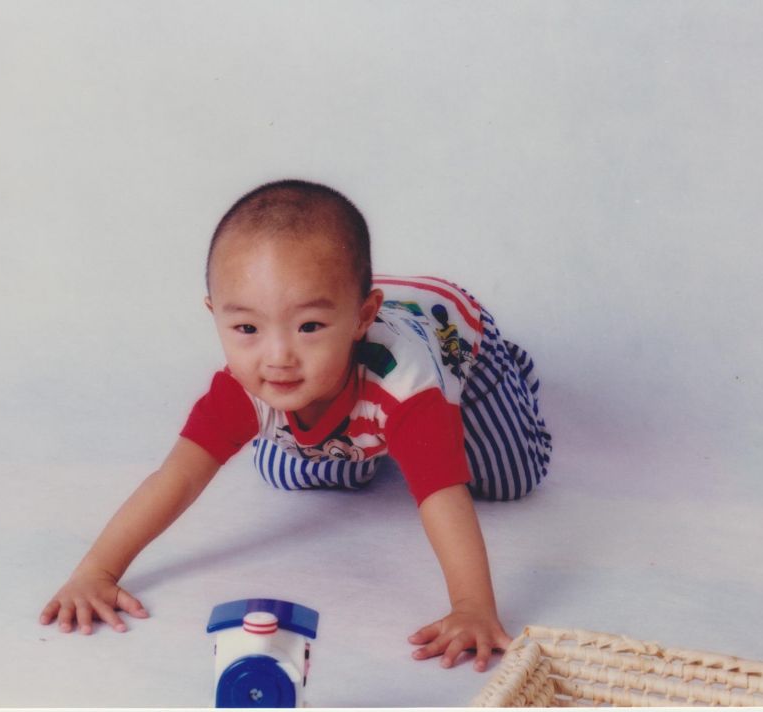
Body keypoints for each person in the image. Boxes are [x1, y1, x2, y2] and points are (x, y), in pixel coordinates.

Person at [39, 179, 552, 671]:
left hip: (451, 333)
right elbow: (178, 476)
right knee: (288, 471)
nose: (279, 357)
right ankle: (362, 430)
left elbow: (442, 493)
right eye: (247, 328)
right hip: (354, 359)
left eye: (309, 327)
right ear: (215, 314)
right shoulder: (247, 384)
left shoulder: (406, 383)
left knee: (510, 478)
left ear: (361, 317)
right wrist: (96, 571)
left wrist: (472, 607)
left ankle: (510, 371)